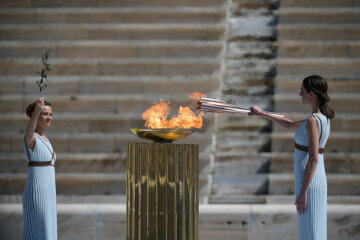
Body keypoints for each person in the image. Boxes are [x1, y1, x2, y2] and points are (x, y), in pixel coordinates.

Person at [249, 75, 334, 240]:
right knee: (313, 230)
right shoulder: (321, 118)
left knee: (312, 232)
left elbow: (313, 159)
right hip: (314, 180)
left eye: (302, 91)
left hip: (309, 182)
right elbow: (288, 124)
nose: (299, 94)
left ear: (312, 94)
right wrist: (262, 113)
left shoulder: (312, 121)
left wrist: (303, 192)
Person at [22, 97, 57, 240]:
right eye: (45, 114)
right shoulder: (32, 138)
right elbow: (28, 133)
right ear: (36, 116)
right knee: (37, 229)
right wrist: (36, 111)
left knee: (48, 229)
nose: (49, 117)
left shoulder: (47, 140)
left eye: (50, 114)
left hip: (49, 192)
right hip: (37, 191)